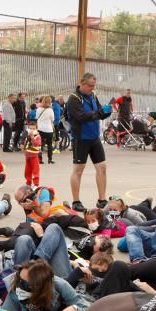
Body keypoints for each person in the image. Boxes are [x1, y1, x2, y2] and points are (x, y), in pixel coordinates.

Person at [65, 72, 113, 211]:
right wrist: (99, 113)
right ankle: (76, 201)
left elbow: (98, 113)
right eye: (90, 86)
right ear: (82, 84)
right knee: (78, 170)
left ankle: (102, 200)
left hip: (94, 137)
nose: (92, 88)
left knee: (102, 167)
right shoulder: (73, 99)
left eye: (94, 86)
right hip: (81, 138)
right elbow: (80, 117)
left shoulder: (92, 96)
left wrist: (106, 111)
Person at [2, 258, 80, 311]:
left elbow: (85, 308)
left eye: (25, 284)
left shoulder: (60, 286)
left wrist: (74, 308)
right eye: (19, 278)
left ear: (39, 285)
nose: (19, 285)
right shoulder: (16, 286)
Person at [35, 96, 56, 164]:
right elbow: (53, 119)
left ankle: (40, 159)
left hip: (40, 129)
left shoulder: (38, 109)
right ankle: (50, 159)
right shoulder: (50, 110)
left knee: (39, 144)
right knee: (49, 144)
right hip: (49, 129)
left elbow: (36, 117)